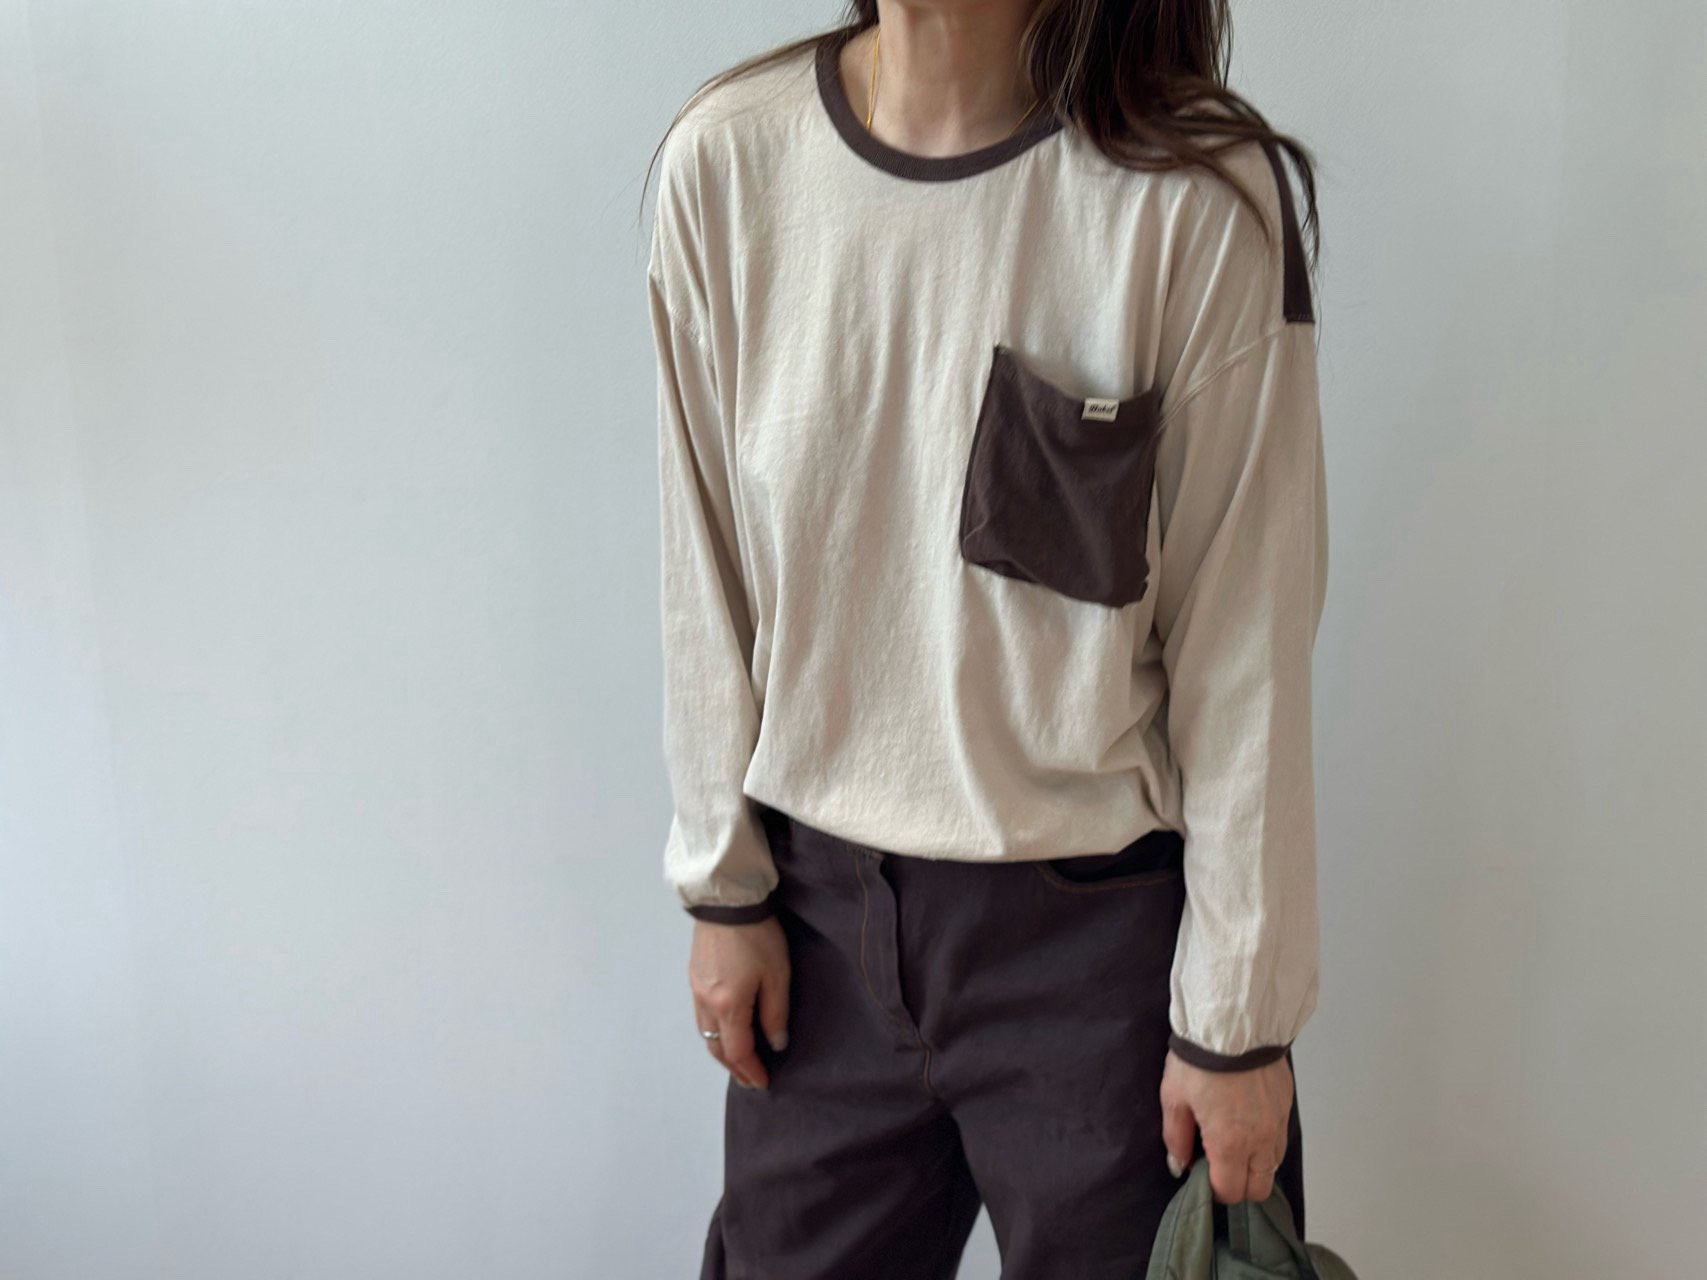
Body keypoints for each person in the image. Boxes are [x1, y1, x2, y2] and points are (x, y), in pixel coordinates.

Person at [643, 3, 1329, 1275]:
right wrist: (723, 884)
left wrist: (1237, 1021)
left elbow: (1248, 646)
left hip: (1100, 960)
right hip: (815, 930)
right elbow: (704, 566)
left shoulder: (1194, 200)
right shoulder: (728, 163)